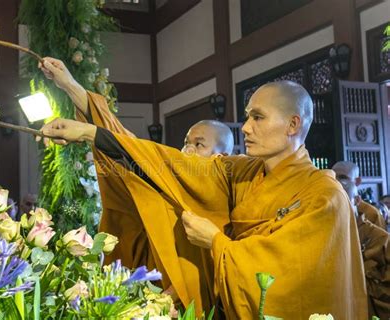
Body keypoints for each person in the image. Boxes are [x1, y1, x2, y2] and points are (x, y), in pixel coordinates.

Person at [38, 80, 367, 318]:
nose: (246, 129)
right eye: (248, 117)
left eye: (258, 117)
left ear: (293, 124)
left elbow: (290, 279)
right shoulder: (238, 172)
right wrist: (92, 130)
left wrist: (215, 243)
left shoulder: (325, 197)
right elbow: (170, 167)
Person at [38, 57, 234, 313]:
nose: (187, 149)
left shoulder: (221, 198)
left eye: (199, 144)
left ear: (221, 158)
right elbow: (127, 146)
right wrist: (72, 87)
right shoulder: (167, 177)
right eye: (186, 142)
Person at [338, 181, 390, 319]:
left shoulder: (380, 237)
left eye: (343, 198)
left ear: (357, 200)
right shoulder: (329, 236)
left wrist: (370, 284)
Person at [332, 161, 387, 230]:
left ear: (357, 181)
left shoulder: (372, 214)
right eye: (333, 177)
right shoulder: (327, 206)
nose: (336, 181)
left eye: (343, 177)